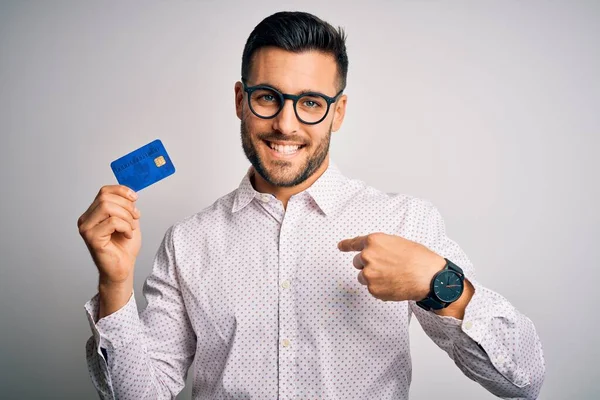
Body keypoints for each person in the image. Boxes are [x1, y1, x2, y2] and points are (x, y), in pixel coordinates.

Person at [78, 11, 545, 400]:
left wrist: (440, 285)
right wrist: (115, 284)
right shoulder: (187, 242)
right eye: (268, 98)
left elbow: (522, 381)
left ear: (337, 112)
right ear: (241, 101)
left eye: (310, 103)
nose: (286, 124)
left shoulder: (405, 221)